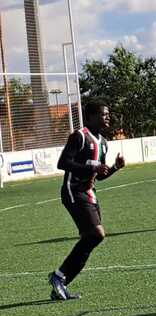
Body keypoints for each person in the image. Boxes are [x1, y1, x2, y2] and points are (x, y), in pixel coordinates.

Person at [48, 100, 125, 301]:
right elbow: (63, 163)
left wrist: (115, 168)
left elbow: (99, 175)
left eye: (108, 114)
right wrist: (93, 168)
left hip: (90, 194)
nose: (107, 117)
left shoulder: (103, 143)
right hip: (73, 191)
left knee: (90, 239)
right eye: (103, 114)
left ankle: (61, 282)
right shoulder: (79, 137)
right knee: (97, 234)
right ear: (90, 117)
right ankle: (58, 276)